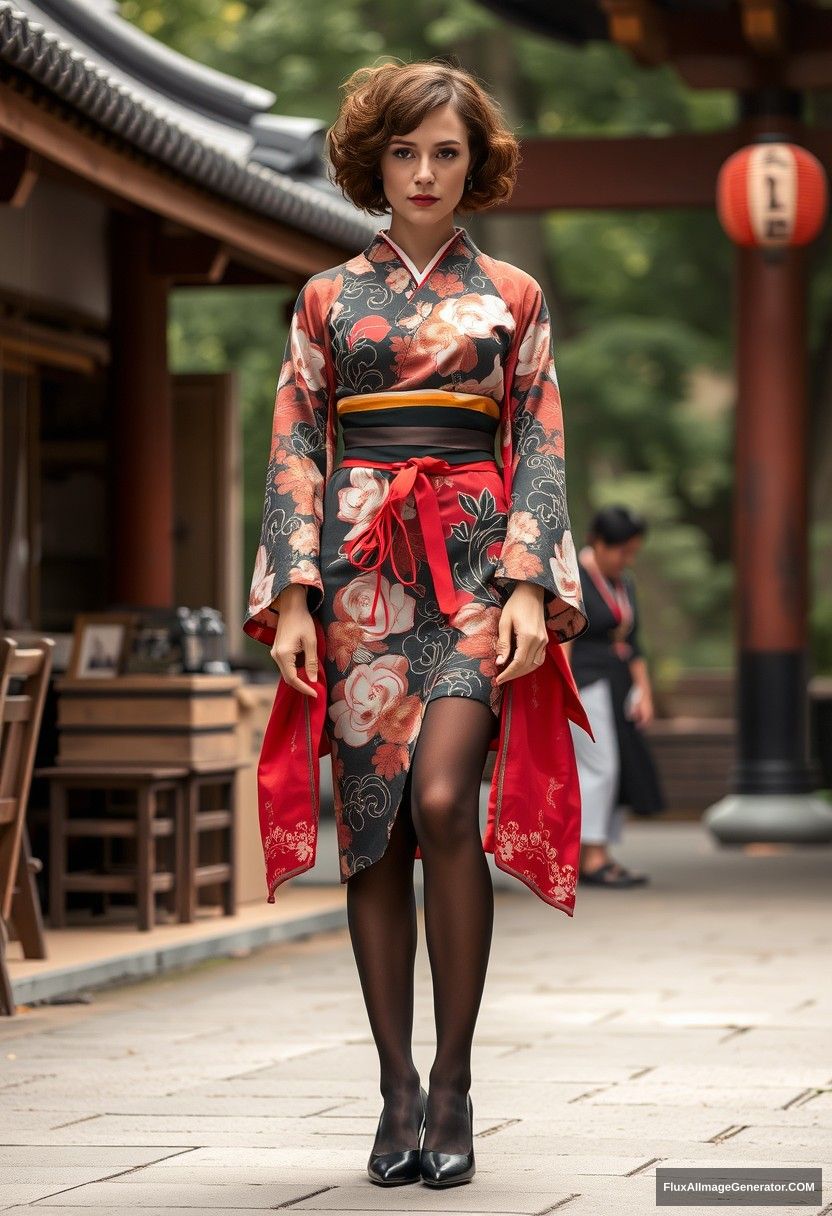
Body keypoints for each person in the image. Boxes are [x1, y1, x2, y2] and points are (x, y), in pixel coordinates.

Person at [243, 59, 590, 1189]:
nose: (426, 172)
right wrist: (292, 593)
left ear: (473, 162)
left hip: (476, 578)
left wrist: (533, 583)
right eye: (404, 151)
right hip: (355, 581)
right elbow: (296, 443)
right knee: (376, 829)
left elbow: (538, 440)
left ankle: (454, 1079)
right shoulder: (325, 302)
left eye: (446, 151)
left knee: (443, 798)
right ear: (371, 163)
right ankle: (395, 1087)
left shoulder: (517, 298)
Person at [563, 505, 665, 889]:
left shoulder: (625, 583)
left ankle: (599, 852)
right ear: (599, 543)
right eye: (621, 551)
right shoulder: (572, 575)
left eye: (632, 552)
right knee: (600, 767)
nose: (627, 559)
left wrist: (645, 691)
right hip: (586, 682)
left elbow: (631, 642)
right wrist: (566, 692)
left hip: (618, 683)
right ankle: (590, 857)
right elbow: (565, 638)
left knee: (615, 768)